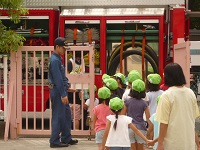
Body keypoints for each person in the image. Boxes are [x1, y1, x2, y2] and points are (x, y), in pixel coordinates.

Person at [155, 63, 200, 150]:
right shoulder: (190, 93)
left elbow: (164, 123)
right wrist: (197, 143)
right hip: (189, 144)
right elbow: (191, 121)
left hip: (173, 144)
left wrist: (160, 143)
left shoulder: (166, 95)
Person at [48, 37, 77, 148]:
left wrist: (67, 87)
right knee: (58, 116)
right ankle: (54, 141)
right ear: (57, 47)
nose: (65, 50)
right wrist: (63, 94)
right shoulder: (55, 60)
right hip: (58, 91)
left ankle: (66, 137)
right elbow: (57, 79)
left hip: (60, 89)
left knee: (66, 115)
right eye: (63, 48)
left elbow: (62, 77)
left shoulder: (58, 59)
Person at [124, 79, 150, 150]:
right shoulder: (144, 103)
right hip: (141, 127)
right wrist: (150, 128)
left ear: (132, 90)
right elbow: (148, 117)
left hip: (129, 126)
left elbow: (123, 115)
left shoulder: (127, 102)